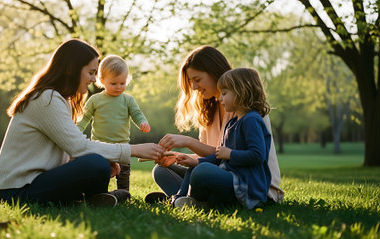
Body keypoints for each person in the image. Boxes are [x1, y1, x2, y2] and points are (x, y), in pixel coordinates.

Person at [0, 39, 164, 207]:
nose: (93, 79)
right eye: (91, 72)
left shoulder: (58, 99)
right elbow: (79, 147)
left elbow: (70, 148)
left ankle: (98, 199)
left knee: (99, 164)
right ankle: (99, 198)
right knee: (95, 163)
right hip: (18, 191)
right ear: (71, 69)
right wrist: (134, 150)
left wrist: (106, 158)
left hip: (35, 183)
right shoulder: (47, 99)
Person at [145, 45, 284, 205]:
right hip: (222, 172)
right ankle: (182, 198)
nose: (195, 87)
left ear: (214, 73)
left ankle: (190, 199)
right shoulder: (210, 111)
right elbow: (214, 157)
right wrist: (179, 158)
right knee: (162, 171)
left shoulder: (246, 111)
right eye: (192, 82)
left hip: (249, 183)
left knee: (201, 171)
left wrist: (188, 142)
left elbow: (234, 155)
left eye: (197, 80)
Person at [172, 67, 272, 209]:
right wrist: (195, 161)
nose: (220, 98)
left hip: (246, 186)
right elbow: (219, 156)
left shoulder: (251, 120)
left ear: (241, 92)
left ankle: (193, 201)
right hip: (231, 179)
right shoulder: (233, 122)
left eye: (224, 94)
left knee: (202, 171)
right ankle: (179, 199)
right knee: (196, 166)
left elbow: (258, 155)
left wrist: (230, 154)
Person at [77, 54, 150, 191]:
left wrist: (142, 122)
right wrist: (76, 131)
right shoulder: (95, 100)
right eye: (113, 83)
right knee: (100, 173)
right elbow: (85, 118)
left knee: (123, 174)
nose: (118, 87)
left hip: (122, 147)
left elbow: (136, 114)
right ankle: (99, 193)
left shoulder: (128, 100)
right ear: (102, 80)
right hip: (100, 148)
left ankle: (123, 193)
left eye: (122, 83)